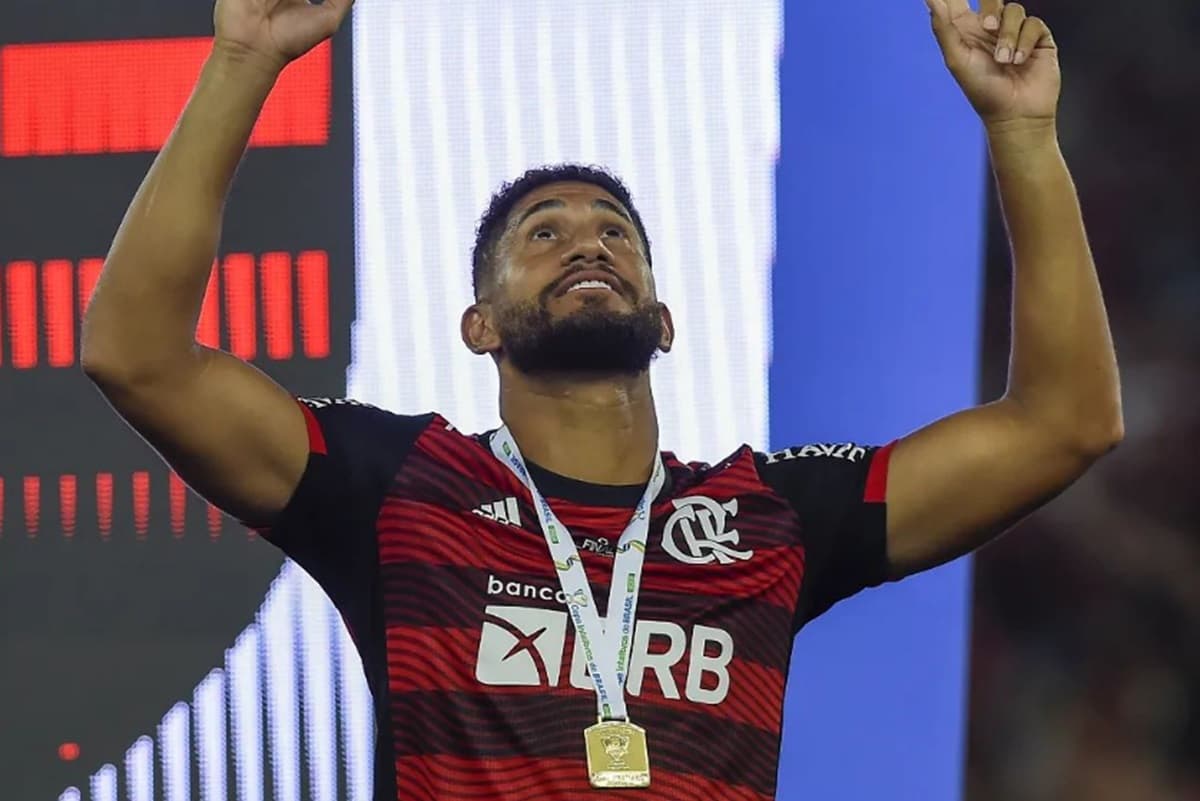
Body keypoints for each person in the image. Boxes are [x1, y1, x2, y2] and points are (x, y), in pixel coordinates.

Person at [79, 0, 1122, 798]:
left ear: (663, 321)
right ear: (476, 325)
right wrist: (243, 61)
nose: (587, 239)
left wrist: (1023, 135)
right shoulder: (395, 488)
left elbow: (1063, 423)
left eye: (615, 232)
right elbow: (139, 355)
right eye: (542, 233)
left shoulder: (768, 519)